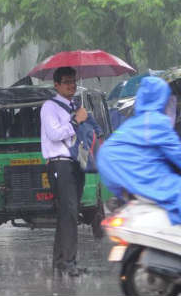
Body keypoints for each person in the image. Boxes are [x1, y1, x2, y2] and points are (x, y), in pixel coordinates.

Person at [98, 76, 181, 223]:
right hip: (137, 174)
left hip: (112, 172)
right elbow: (177, 155)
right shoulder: (156, 121)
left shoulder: (135, 121)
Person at [40, 66, 87, 277]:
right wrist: (76, 121)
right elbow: (54, 133)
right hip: (60, 164)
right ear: (56, 85)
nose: (72, 85)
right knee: (68, 213)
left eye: (74, 81)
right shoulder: (49, 107)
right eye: (67, 81)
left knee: (68, 213)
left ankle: (62, 260)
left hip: (75, 164)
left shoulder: (76, 105)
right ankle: (68, 261)